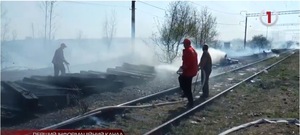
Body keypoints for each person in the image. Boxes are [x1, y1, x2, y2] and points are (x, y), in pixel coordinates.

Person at [178, 38, 198, 107]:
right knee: (181, 80)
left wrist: (182, 68)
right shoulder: (192, 50)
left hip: (189, 72)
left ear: (186, 44)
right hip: (191, 71)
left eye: (184, 44)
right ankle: (186, 94)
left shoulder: (188, 51)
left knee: (187, 87)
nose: (183, 45)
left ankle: (190, 102)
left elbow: (187, 63)